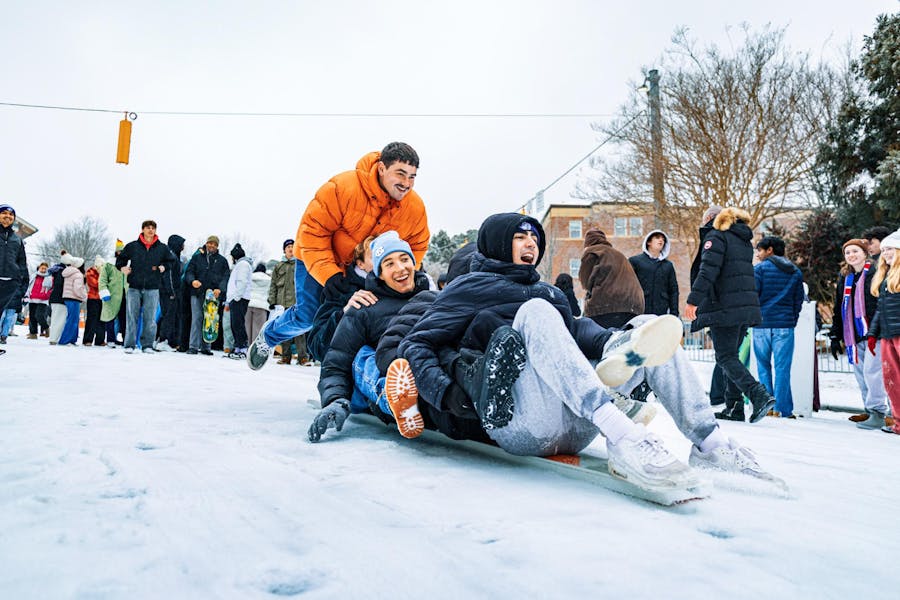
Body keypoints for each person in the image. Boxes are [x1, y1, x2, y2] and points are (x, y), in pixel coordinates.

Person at [390, 212, 779, 491]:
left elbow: (576, 331)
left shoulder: (549, 292)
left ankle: (708, 442)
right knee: (537, 313)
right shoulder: (469, 288)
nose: (531, 244)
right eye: (520, 237)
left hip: (577, 424)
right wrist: (445, 393)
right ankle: (623, 434)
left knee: (648, 327)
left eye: (534, 239)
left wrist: (611, 342)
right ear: (496, 244)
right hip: (521, 419)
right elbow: (416, 344)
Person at [247, 142, 430, 370]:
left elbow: (416, 245)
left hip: (365, 267)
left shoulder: (414, 207)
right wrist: (330, 275)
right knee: (309, 315)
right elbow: (313, 232)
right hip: (318, 256)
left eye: (412, 177)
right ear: (382, 168)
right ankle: (270, 336)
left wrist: (401, 275)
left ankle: (350, 378)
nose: (406, 184)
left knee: (363, 320)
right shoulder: (343, 187)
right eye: (401, 174)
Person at [308, 231, 431, 442]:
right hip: (372, 385)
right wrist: (335, 400)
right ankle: (392, 396)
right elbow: (334, 357)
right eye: (389, 263)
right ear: (377, 270)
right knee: (362, 354)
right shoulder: (359, 303)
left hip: (423, 372)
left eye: (404, 260)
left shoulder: (432, 299)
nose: (400, 268)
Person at [685, 207, 775, 423]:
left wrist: (693, 301)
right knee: (731, 357)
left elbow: (707, 271)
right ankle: (734, 407)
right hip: (741, 306)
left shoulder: (715, 237)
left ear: (709, 219)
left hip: (723, 306)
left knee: (725, 357)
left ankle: (757, 394)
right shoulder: (741, 238)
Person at [830, 239, 889, 429]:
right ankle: (869, 410)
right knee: (861, 374)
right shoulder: (846, 277)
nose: (851, 255)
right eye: (847, 253)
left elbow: (881, 304)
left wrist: (879, 329)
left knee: (873, 373)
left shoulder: (876, 273)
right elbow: (839, 307)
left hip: (875, 333)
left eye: (855, 251)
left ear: (865, 253)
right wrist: (834, 335)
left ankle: (879, 411)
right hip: (853, 335)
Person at [752, 236, 805, 419]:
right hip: (784, 325)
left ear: (770, 250)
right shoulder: (795, 272)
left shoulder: (758, 270)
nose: (758, 255)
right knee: (783, 368)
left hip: (761, 325)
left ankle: (768, 408)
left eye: (760, 250)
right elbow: (798, 301)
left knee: (763, 366)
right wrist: (792, 320)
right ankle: (783, 409)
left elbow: (754, 297)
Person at [306, 236, 375, 364]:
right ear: (360, 264)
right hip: (347, 374)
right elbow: (317, 347)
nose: (380, 262)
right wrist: (344, 313)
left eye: (385, 257)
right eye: (374, 257)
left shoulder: (402, 291)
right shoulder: (340, 290)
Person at [115, 220, 173, 353]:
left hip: (152, 287)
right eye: (148, 228)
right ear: (142, 229)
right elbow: (120, 260)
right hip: (134, 286)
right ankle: (129, 344)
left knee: (150, 318)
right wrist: (122, 268)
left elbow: (171, 261)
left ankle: (147, 345)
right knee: (131, 316)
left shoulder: (162, 248)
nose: (150, 230)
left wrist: (163, 267)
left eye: (153, 228)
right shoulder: (133, 246)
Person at [579, 228, 644, 329]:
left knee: (595, 336)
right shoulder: (618, 254)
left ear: (588, 242)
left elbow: (585, 282)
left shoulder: (592, 252)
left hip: (607, 306)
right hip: (635, 306)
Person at [868, 230, 900, 434]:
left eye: (890, 249)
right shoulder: (885, 276)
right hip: (888, 334)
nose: (886, 253)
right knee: (892, 380)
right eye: (884, 250)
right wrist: (873, 333)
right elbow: (881, 309)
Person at [183, 235, 230, 355]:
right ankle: (193, 346)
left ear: (217, 246)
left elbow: (226, 277)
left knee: (210, 320)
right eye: (210, 243)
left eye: (214, 244)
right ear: (206, 243)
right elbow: (189, 272)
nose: (212, 246)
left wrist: (220, 289)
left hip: (212, 296)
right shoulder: (197, 258)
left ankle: (206, 347)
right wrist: (192, 281)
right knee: (197, 318)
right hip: (197, 293)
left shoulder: (222, 261)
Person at [267, 239, 303, 364]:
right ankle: (285, 356)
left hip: (297, 301)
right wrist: (272, 300)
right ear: (284, 250)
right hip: (282, 302)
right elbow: (273, 285)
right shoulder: (279, 266)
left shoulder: (300, 264)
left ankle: (303, 357)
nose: (290, 248)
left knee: (300, 329)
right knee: (284, 328)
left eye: (292, 246)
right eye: (288, 246)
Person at [629, 229, 679, 317]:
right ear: (649, 242)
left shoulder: (668, 265)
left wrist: (674, 312)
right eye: (657, 238)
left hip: (661, 311)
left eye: (663, 239)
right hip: (640, 311)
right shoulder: (635, 261)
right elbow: (628, 287)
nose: (661, 240)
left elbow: (673, 290)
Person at [0, 204, 27, 355]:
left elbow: (22, 262)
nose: (7, 216)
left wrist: (21, 283)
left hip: (9, 282)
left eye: (11, 215)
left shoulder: (17, 239)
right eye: (4, 213)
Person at [157, 234, 185, 352]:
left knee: (168, 316)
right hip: (169, 293)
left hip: (167, 291)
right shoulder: (171, 256)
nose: (183, 247)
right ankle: (164, 340)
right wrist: (172, 292)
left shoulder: (173, 255)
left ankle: (166, 340)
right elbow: (169, 276)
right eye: (182, 244)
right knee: (168, 317)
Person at [225, 243, 253, 358]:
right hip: (236, 298)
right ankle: (237, 347)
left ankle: (243, 348)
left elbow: (242, 281)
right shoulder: (240, 264)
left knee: (238, 324)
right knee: (234, 324)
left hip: (240, 298)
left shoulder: (243, 264)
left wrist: (236, 297)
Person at [99, 241, 128, 348]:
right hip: (111, 296)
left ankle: (126, 339)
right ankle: (110, 339)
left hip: (125, 296)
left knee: (125, 319)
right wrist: (104, 291)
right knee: (110, 318)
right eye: (119, 251)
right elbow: (102, 280)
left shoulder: (128, 266)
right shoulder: (109, 265)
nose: (121, 253)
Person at [58, 255, 86, 346]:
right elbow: (78, 288)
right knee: (73, 320)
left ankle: (71, 339)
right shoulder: (78, 274)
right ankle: (65, 340)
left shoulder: (69, 273)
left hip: (67, 297)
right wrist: (84, 296)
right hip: (74, 298)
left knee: (72, 319)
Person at [24, 262, 52, 339]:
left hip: (43, 300)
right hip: (32, 299)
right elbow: (29, 285)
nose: (43, 270)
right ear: (39, 268)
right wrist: (27, 295)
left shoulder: (49, 277)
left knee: (39, 316)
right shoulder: (34, 276)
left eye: (45, 268)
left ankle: (46, 328)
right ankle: (33, 333)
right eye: (42, 268)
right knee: (32, 317)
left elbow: (51, 288)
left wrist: (47, 294)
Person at [82, 257, 106, 346]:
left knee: (102, 320)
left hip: (102, 299)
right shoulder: (90, 272)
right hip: (93, 298)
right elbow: (95, 284)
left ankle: (100, 340)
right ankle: (88, 339)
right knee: (92, 319)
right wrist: (104, 282)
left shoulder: (104, 273)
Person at [247, 263, 271, 347]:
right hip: (262, 306)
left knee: (247, 327)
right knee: (258, 329)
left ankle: (246, 346)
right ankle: (254, 348)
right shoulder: (269, 280)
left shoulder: (250, 277)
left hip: (249, 304)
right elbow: (270, 293)